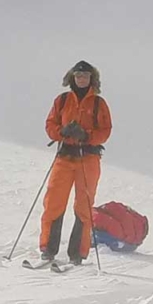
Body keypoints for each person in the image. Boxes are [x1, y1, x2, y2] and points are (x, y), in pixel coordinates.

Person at [40, 61, 112, 265]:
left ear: (92, 79)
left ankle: (77, 254)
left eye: (85, 76)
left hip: (88, 159)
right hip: (64, 157)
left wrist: (86, 135)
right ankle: (48, 248)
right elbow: (50, 124)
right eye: (78, 76)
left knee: (84, 206)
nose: (81, 79)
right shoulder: (61, 100)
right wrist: (61, 132)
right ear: (72, 78)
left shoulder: (99, 103)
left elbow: (105, 131)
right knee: (53, 202)